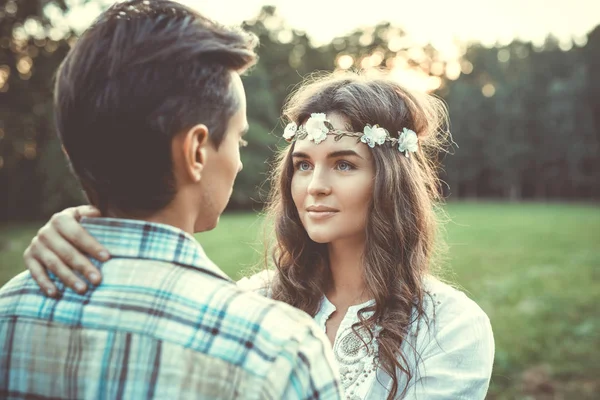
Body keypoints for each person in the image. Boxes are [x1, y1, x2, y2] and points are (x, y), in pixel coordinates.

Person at [24, 72, 495, 399]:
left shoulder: (451, 327)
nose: (315, 187)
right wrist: (89, 221)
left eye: (344, 164)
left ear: (391, 180)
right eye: (303, 165)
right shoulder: (252, 300)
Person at [0, 1, 344, 399]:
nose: (237, 159)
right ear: (197, 151)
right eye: (239, 138)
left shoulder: (8, 313)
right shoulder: (276, 350)